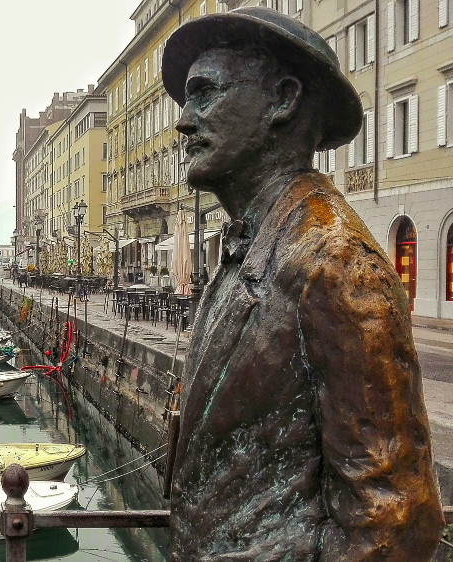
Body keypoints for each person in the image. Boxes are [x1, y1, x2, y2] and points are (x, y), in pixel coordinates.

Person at [161, 7, 442, 560]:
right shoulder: (255, 247)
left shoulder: (332, 263)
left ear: (282, 100)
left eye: (204, 93)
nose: (183, 121)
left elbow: (392, 521)